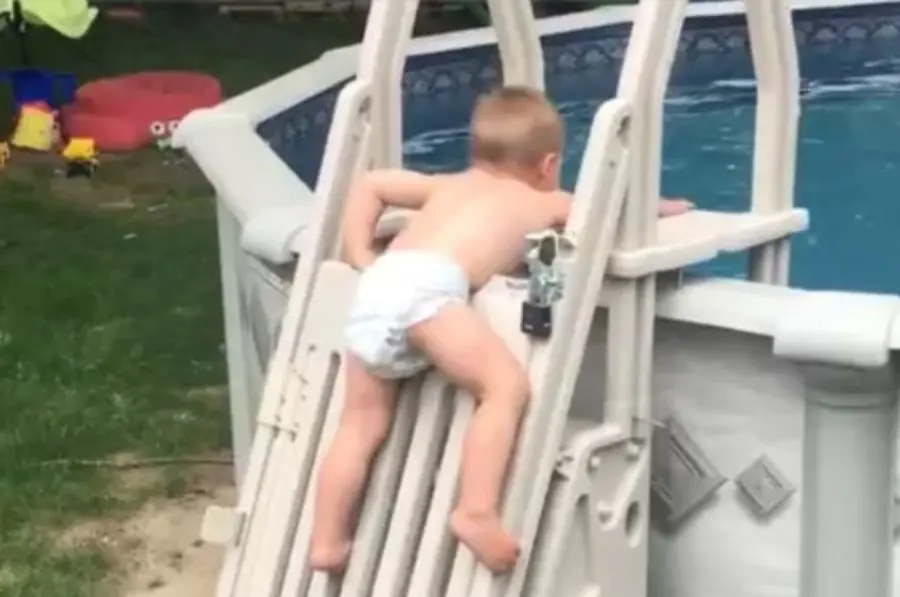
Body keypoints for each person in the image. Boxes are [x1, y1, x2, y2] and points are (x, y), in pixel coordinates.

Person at [308, 85, 693, 574]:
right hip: (427, 293)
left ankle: (326, 541)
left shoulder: (447, 186)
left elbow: (370, 185)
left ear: (477, 151)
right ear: (548, 164)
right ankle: (475, 510)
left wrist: (362, 254)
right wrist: (666, 206)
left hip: (380, 286)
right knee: (504, 388)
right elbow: (608, 209)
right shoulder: (547, 202)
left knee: (358, 426)